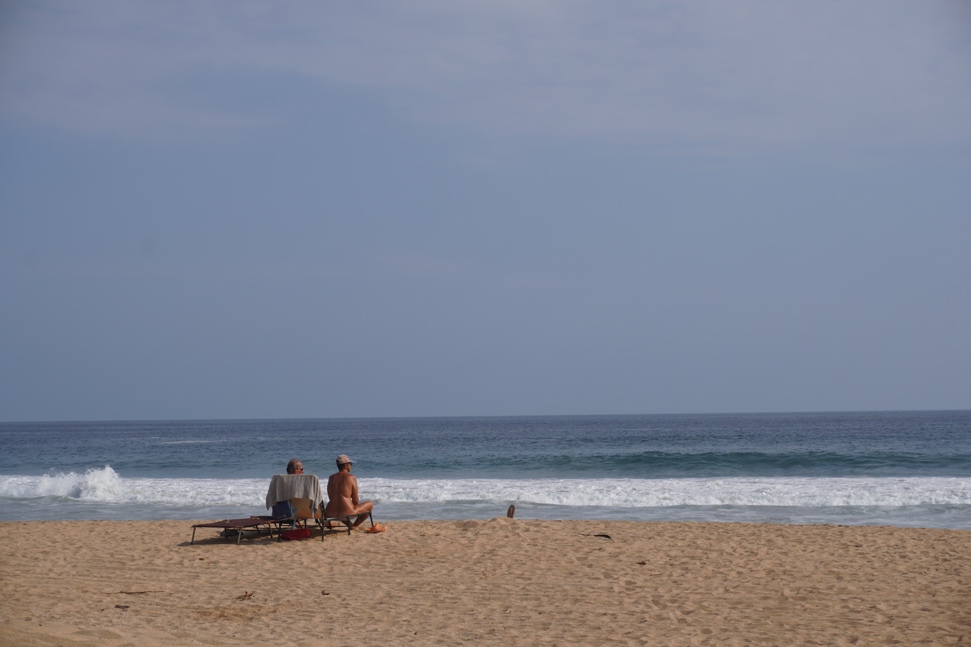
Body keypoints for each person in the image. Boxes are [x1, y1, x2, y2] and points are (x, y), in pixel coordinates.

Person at [325, 454, 374, 528]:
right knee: (370, 504)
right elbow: (355, 499)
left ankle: (350, 525)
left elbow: (330, 496)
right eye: (350, 464)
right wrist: (353, 507)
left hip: (330, 512)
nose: (351, 466)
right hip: (346, 513)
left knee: (342, 507)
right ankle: (354, 525)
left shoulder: (331, 478)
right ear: (345, 465)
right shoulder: (351, 477)